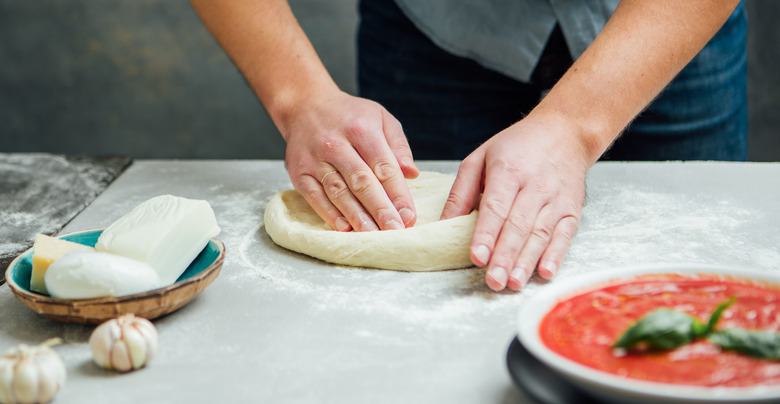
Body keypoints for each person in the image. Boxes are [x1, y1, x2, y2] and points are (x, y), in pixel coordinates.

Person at [189, 0, 746, 292]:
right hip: (436, 24)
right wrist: (299, 96)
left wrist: (573, 127)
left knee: (694, 285)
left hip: (661, 23)